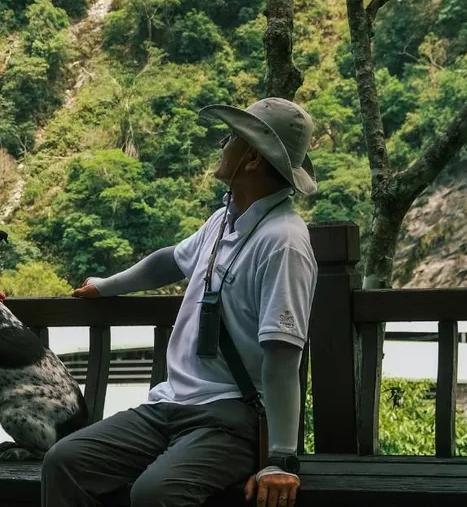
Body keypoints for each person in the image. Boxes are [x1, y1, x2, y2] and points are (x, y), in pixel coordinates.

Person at [43, 98, 319, 507]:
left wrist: (280, 458)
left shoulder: (283, 241)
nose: (222, 145)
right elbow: (170, 261)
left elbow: (281, 357)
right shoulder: (223, 220)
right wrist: (107, 286)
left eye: (231, 138)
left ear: (252, 160)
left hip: (232, 419)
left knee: (156, 494)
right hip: (171, 404)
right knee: (64, 461)